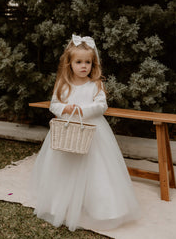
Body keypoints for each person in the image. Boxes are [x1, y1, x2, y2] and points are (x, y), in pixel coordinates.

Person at [29, 34, 140, 232]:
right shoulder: (63, 84)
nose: (83, 66)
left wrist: (84, 110)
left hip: (92, 131)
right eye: (78, 62)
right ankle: (61, 203)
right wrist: (65, 109)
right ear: (69, 63)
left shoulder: (95, 85)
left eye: (87, 62)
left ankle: (101, 208)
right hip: (68, 131)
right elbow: (54, 105)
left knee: (97, 169)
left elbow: (101, 106)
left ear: (93, 64)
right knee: (65, 168)